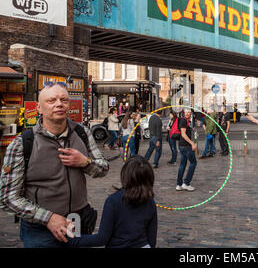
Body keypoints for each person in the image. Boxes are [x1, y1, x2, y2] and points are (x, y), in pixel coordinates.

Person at [0, 83, 109, 248]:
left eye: (64, 100)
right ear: (39, 108)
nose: (59, 104)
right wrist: (48, 218)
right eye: (51, 100)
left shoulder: (82, 133)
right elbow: (7, 197)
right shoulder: (22, 144)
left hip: (78, 221)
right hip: (40, 230)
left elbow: (103, 169)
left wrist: (84, 162)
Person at [68, 155, 157, 248]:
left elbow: (102, 238)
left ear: (125, 176)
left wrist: (73, 239)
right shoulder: (150, 203)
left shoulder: (113, 201)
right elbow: (152, 240)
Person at [176, 109, 197, 191]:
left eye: (189, 112)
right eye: (186, 112)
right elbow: (183, 134)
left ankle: (179, 184)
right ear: (184, 113)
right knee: (193, 162)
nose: (188, 113)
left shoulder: (187, 121)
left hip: (182, 146)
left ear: (190, 113)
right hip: (186, 146)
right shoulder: (184, 121)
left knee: (182, 164)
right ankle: (186, 183)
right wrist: (192, 143)